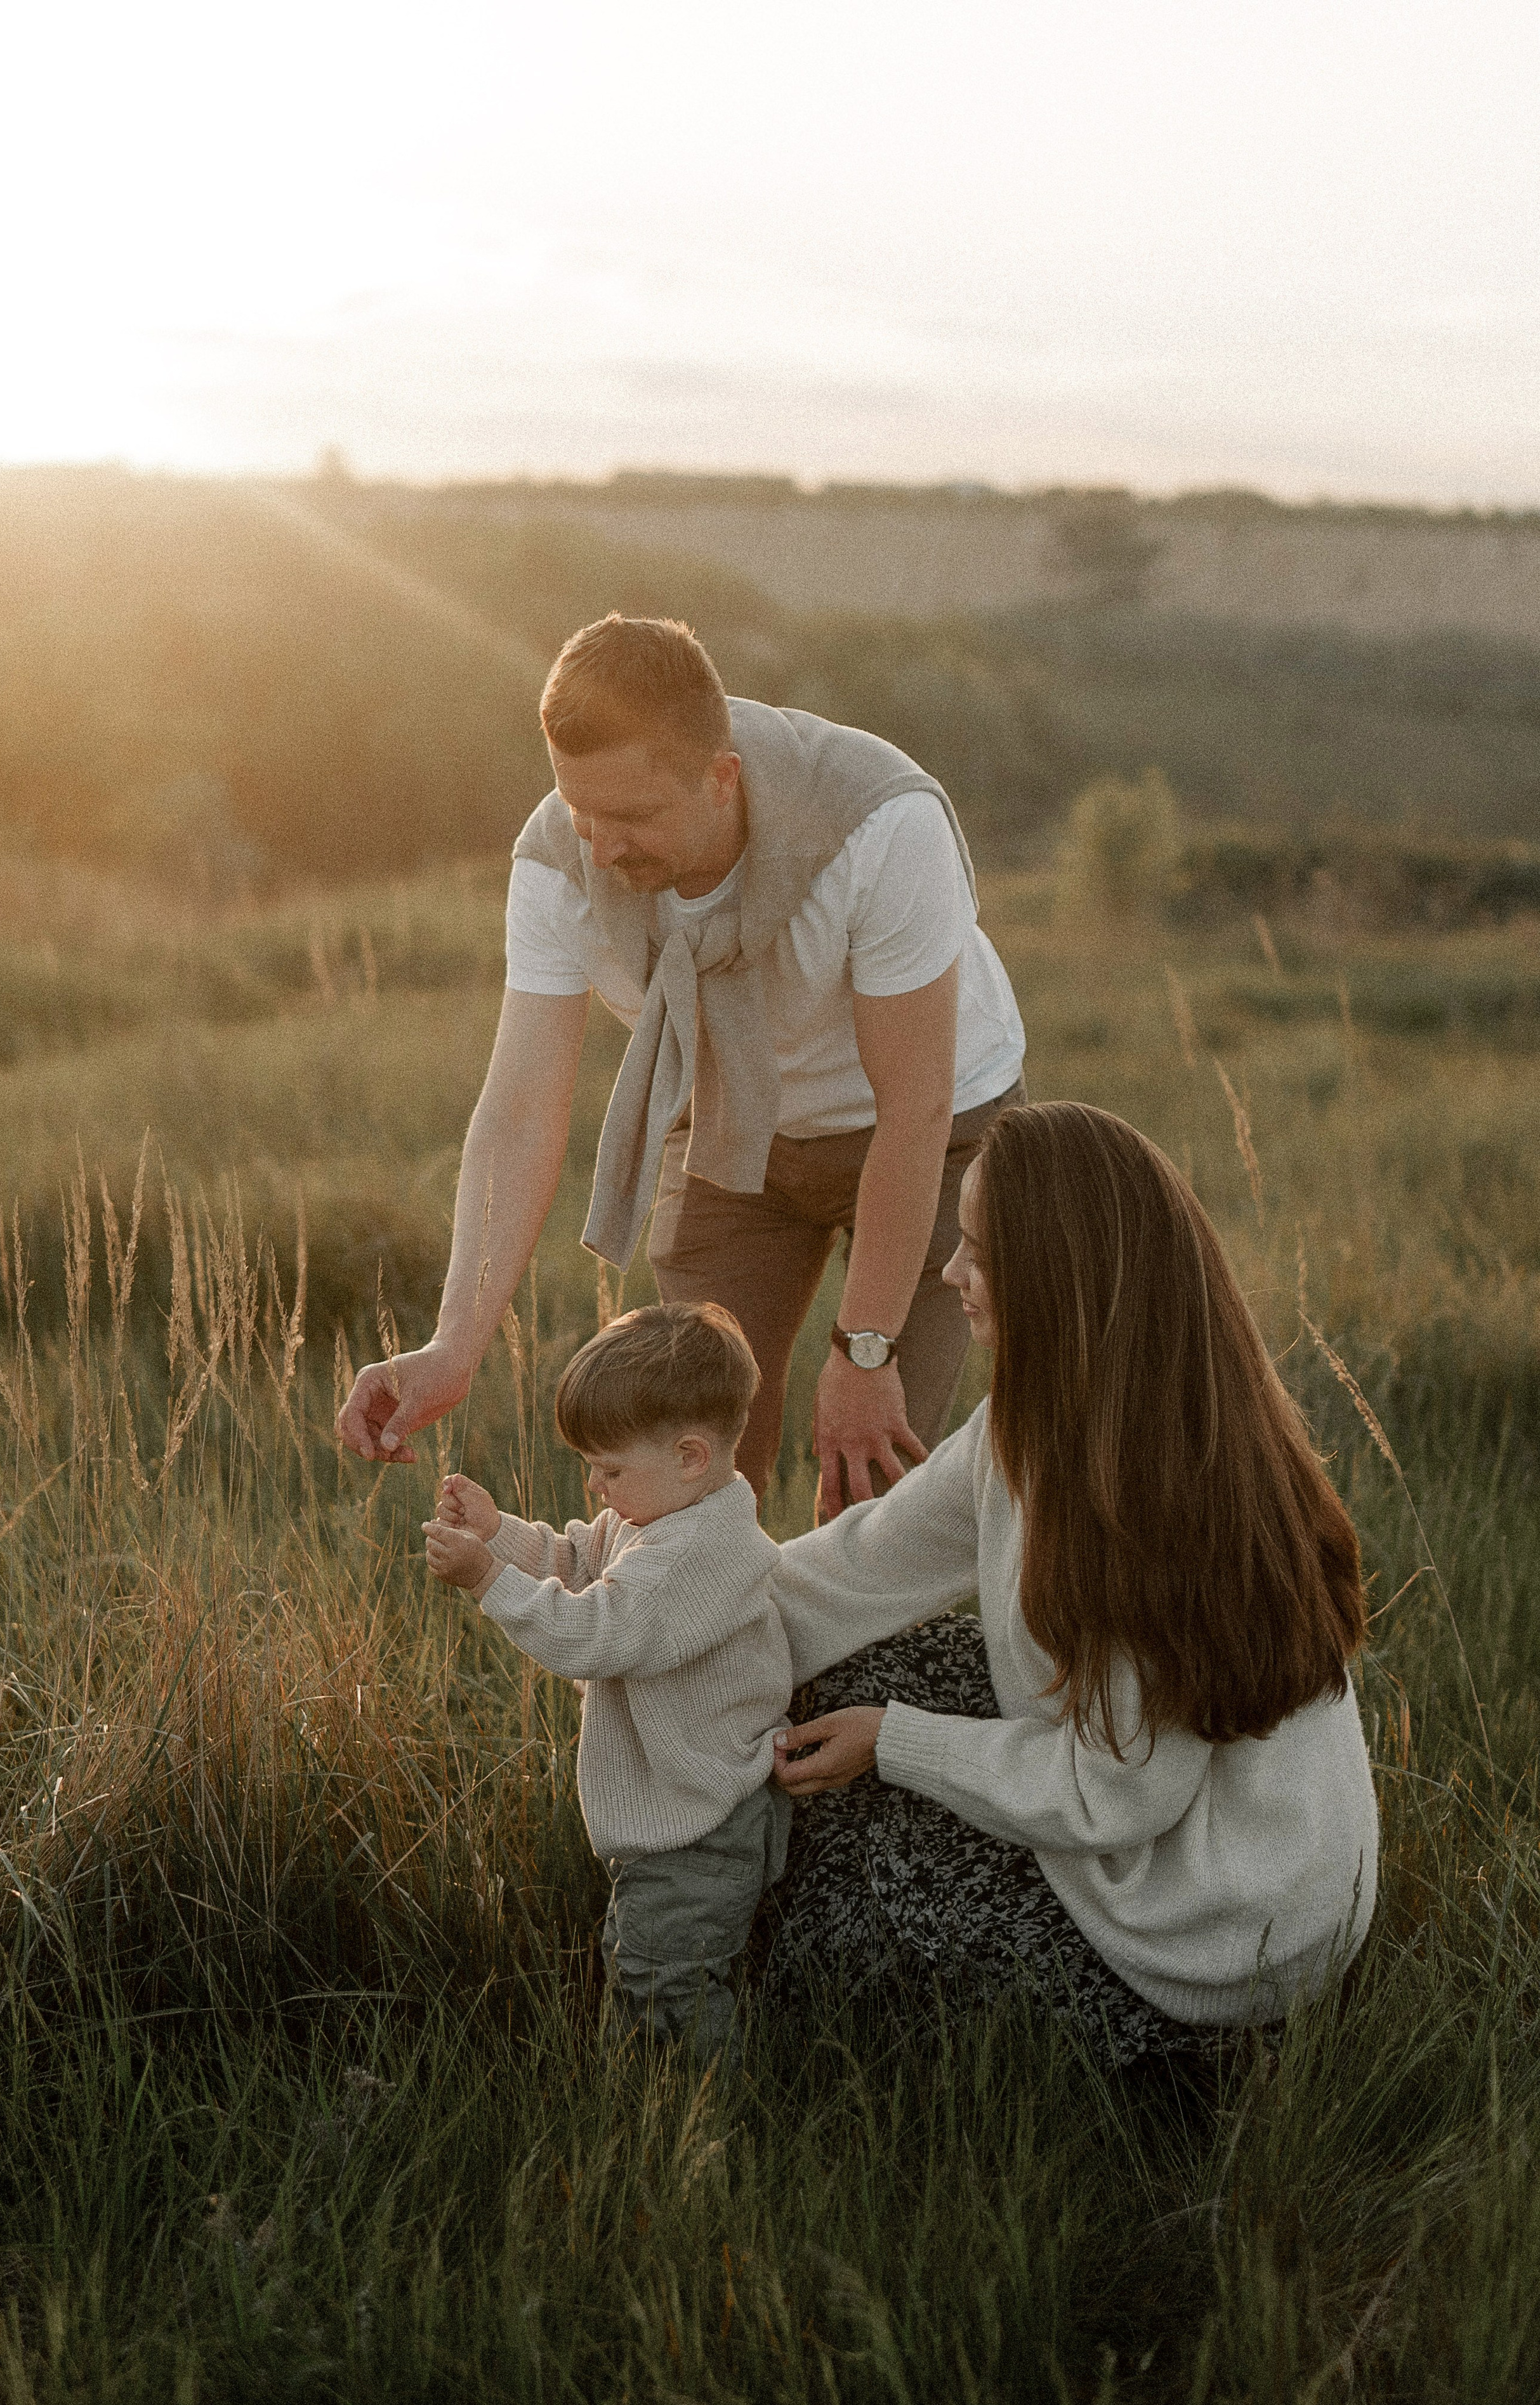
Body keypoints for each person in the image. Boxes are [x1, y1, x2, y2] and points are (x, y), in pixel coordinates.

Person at [338, 614, 1025, 1516]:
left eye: (631, 817)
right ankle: (718, 1652)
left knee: (872, 1480)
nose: (602, 847)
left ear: (721, 779)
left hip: (934, 1137)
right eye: (582, 813)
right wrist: (453, 1347)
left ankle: (849, 1647)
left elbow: (916, 1106)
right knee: (690, 1473)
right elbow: (519, 1112)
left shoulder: (878, 820)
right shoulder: (557, 863)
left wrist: (866, 1352)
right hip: (732, 1126)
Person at [765, 1101, 1378, 2067]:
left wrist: (895, 1742)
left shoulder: (1144, 1503)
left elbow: (1118, 1801)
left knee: (854, 1904)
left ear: (1058, 1276)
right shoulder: (1048, 1417)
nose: (950, 1273)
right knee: (847, 1673)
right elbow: (846, 1571)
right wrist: (649, 1612)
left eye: (978, 1251)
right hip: (1182, 1836)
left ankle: (1191, 2075)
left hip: (1220, 1930)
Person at [422, 1301, 792, 2062]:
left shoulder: (699, 1553)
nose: (594, 1486)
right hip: (672, 1813)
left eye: (609, 1468)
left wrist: (488, 1578)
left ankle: (696, 2124)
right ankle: (639, 2102)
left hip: (700, 1826)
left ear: (691, 1455)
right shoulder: (657, 1514)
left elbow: (597, 1631)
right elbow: (580, 1568)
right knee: (643, 1963)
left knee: (668, 1987)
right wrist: (501, 1533)